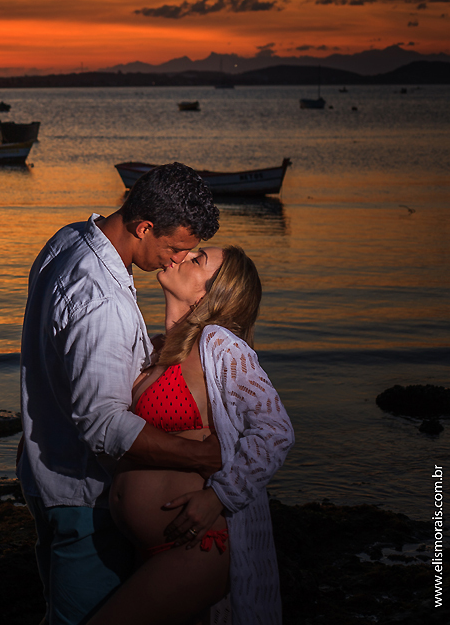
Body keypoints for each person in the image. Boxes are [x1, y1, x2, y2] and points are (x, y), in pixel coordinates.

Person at [17, 163, 222, 625]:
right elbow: (103, 424)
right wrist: (205, 459)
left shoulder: (68, 240)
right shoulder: (101, 299)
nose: (175, 262)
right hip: (82, 494)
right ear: (144, 226)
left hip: (45, 466)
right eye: (173, 248)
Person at [91, 246, 293, 625]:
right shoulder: (156, 351)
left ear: (207, 295)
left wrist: (219, 496)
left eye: (197, 260)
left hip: (194, 546)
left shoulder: (218, 345)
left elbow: (274, 430)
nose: (181, 256)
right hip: (148, 547)